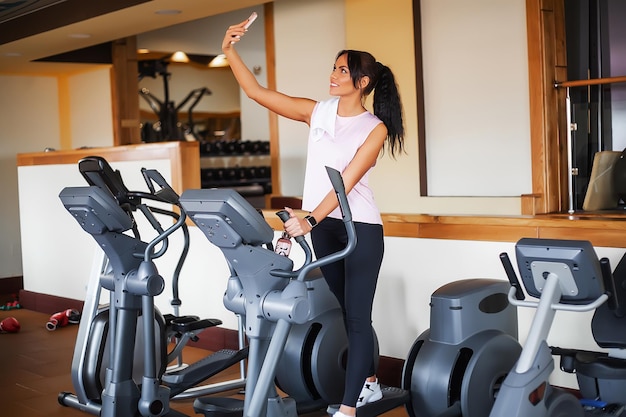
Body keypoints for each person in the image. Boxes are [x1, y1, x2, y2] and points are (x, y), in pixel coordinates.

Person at [222, 15, 405, 417]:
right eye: (334, 67)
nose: (333, 74)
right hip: (324, 229)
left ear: (362, 82)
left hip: (360, 230)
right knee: (347, 311)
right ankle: (370, 384)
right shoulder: (317, 113)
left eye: (343, 70)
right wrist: (229, 50)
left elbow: (345, 181)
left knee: (357, 318)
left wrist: (310, 219)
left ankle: (348, 410)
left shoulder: (375, 129)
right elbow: (256, 93)